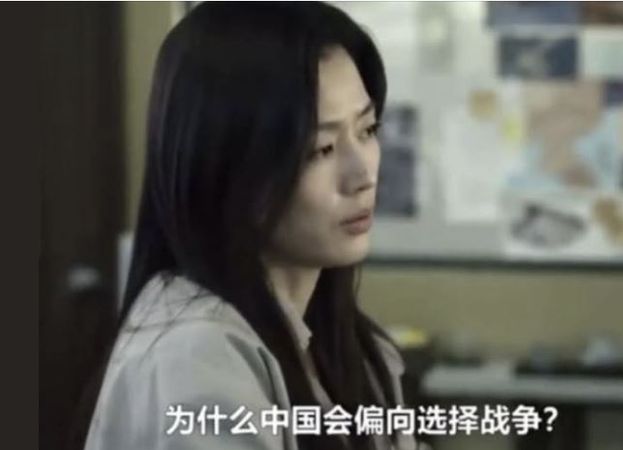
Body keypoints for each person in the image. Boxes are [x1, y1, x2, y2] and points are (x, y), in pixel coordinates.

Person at [80, 3, 421, 450]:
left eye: (368, 129)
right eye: (321, 148)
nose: (364, 176)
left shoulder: (346, 342)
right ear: (230, 164)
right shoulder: (195, 354)